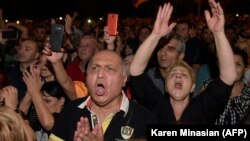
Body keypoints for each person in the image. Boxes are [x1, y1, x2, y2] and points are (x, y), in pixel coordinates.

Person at [130, 0, 236, 124]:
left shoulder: (203, 107)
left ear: (192, 87)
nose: (178, 76)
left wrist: (218, 33)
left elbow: (229, 76)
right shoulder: (157, 104)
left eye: (184, 75)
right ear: (165, 87)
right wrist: (155, 35)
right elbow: (135, 71)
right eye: (173, 74)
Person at [49, 50, 156, 141]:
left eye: (110, 69)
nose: (100, 75)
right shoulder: (71, 110)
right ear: (86, 77)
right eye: (95, 68)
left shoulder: (143, 118)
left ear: (124, 80)